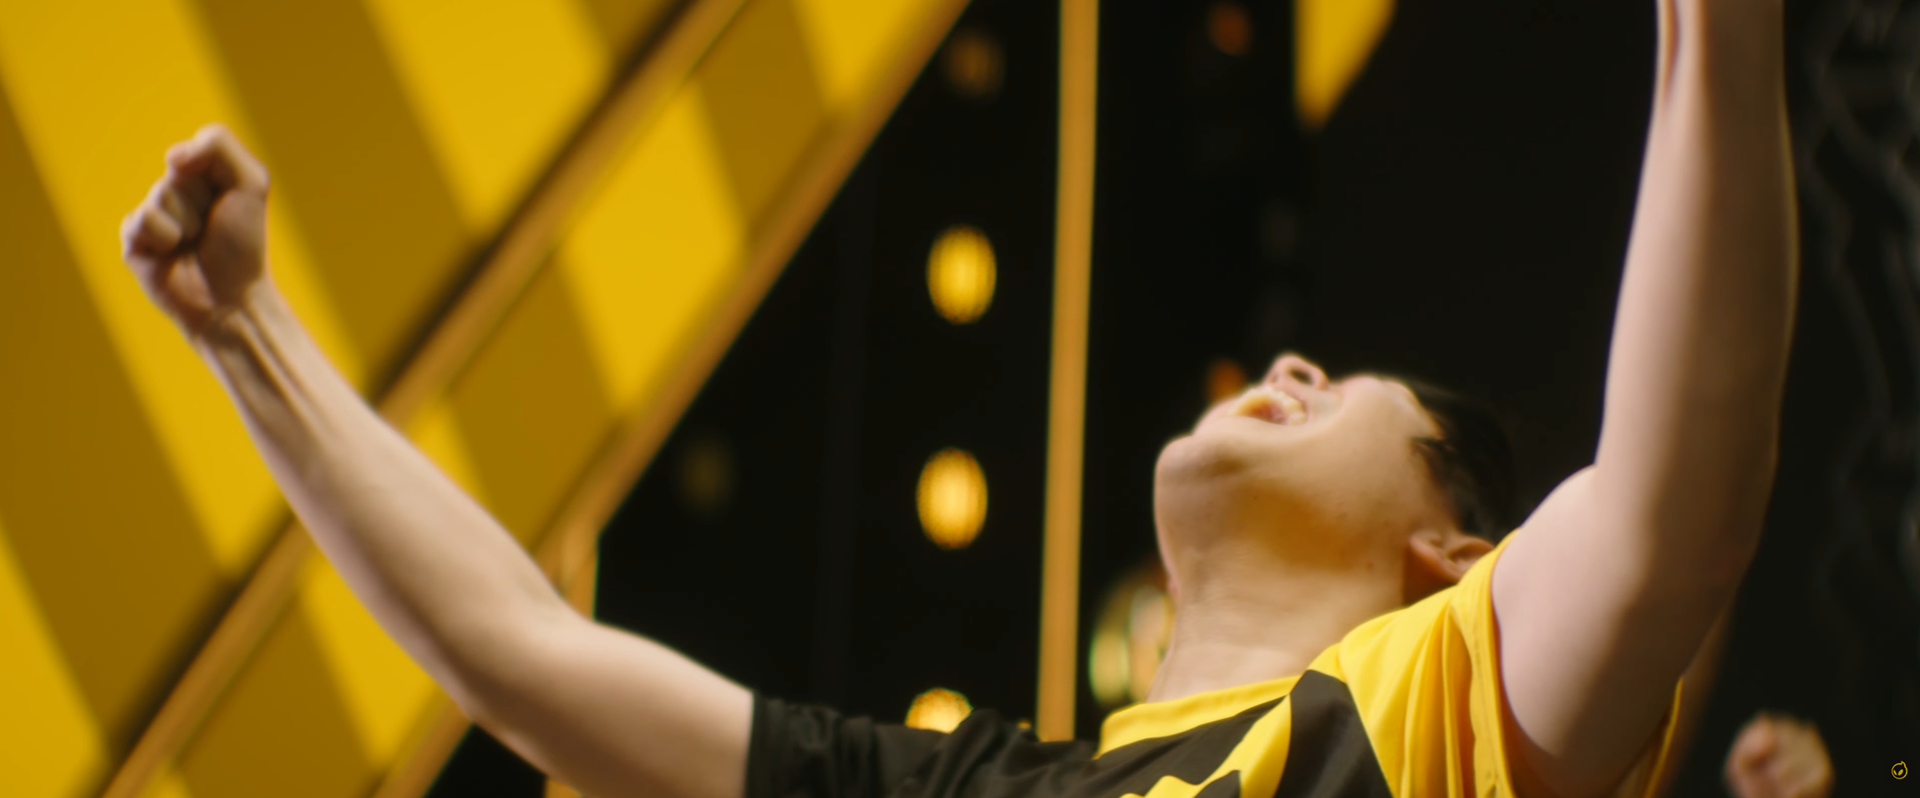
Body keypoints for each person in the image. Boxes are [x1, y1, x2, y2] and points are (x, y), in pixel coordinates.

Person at [117, 0, 1793, 794]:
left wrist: (1716, 34)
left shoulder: (1433, 714)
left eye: (1347, 387)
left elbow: (1671, 518)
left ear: (1452, 553)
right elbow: (526, 657)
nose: (1290, 371)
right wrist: (247, 333)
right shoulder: (968, 790)